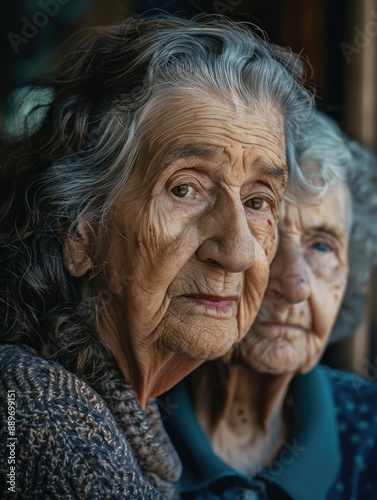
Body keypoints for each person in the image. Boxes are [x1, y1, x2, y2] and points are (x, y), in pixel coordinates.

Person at [0, 15, 313, 499]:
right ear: (79, 231)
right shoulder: (45, 415)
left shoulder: (119, 416)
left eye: (257, 202)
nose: (235, 252)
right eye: (185, 188)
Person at [164, 112, 377, 499]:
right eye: (266, 235)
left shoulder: (370, 429)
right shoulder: (122, 422)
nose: (294, 286)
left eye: (322, 246)